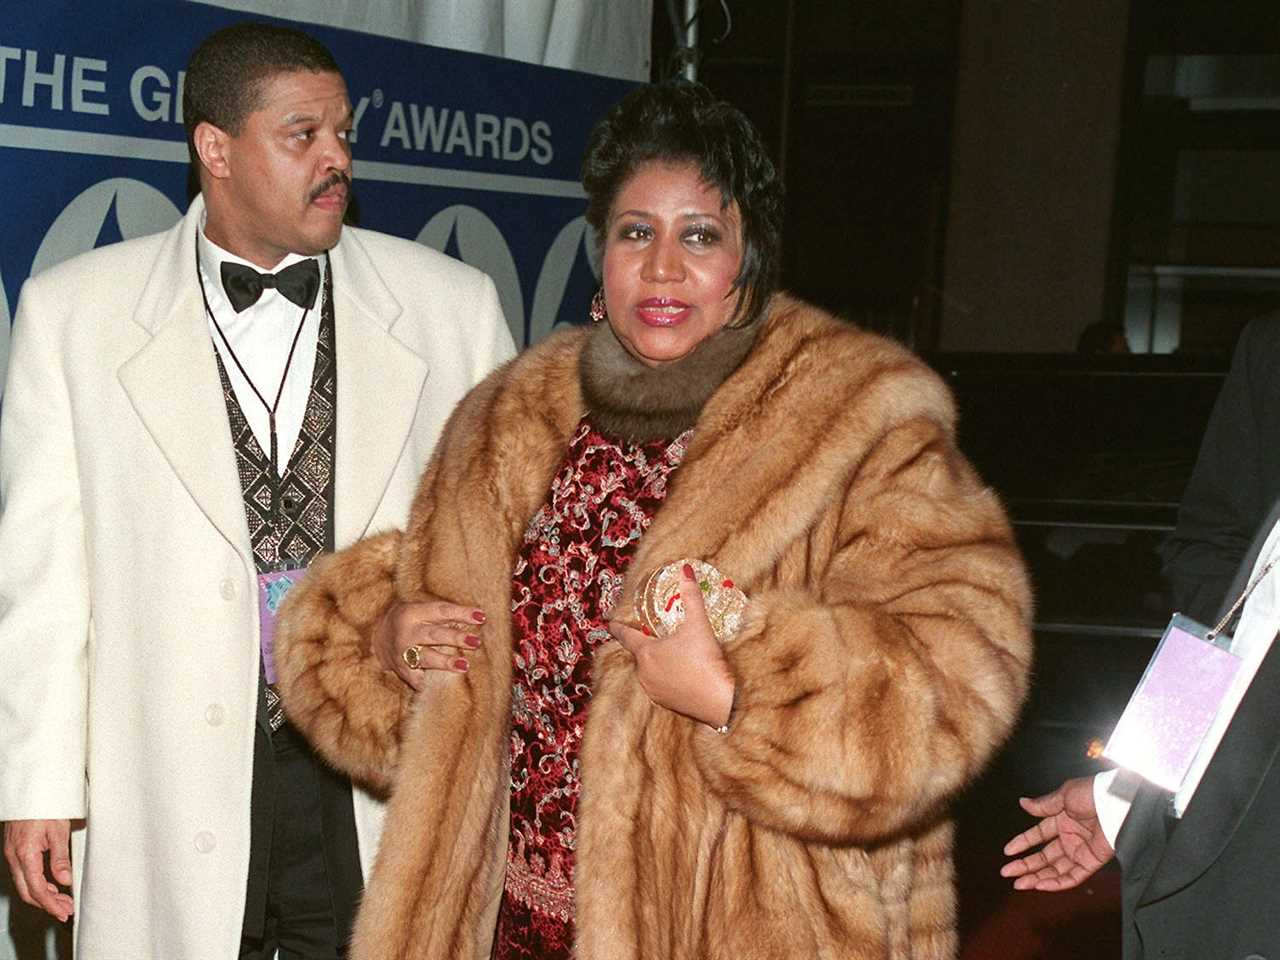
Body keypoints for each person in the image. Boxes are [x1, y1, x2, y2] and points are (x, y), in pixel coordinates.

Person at [274, 81, 1033, 960]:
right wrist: (384, 642)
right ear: (602, 254)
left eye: (700, 236)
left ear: (749, 262)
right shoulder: (511, 416)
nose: (663, 268)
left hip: (744, 928)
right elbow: (436, 695)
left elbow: (963, 673)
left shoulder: (858, 423)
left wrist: (734, 696)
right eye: (637, 232)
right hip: (509, 930)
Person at [0, 22, 513, 960]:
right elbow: (41, 582)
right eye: (302, 135)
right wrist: (34, 786)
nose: (336, 160)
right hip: (168, 766)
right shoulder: (74, 313)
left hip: (373, 771)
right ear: (215, 149)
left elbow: (504, 554)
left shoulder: (453, 306)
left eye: (344, 135)